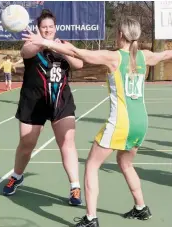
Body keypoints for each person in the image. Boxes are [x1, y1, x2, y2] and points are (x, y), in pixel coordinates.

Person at [22, 16, 172, 226]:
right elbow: (166, 53)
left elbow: (77, 53)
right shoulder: (145, 56)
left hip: (121, 122)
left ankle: (91, 218)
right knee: (125, 163)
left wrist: (44, 42)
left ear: (120, 34)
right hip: (141, 122)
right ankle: (141, 208)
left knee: (91, 165)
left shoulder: (114, 58)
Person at [3, 9, 83, 206]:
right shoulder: (31, 43)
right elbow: (26, 53)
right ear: (39, 29)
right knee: (26, 143)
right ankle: (17, 176)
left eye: (50, 27)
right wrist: (40, 43)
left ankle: (75, 186)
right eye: (44, 27)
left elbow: (79, 63)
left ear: (55, 28)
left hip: (60, 101)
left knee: (67, 141)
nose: (47, 30)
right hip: (33, 101)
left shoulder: (63, 45)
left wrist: (59, 48)